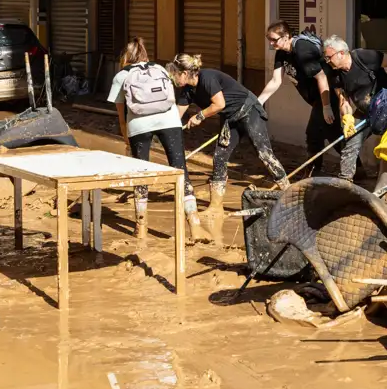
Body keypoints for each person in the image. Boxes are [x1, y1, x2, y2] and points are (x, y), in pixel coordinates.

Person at [166, 54, 290, 242]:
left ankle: (288, 192)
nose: (174, 79)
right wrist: (167, 131)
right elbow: (177, 116)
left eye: (175, 75)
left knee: (264, 153)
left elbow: (219, 104)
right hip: (230, 119)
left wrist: (200, 116)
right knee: (219, 157)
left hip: (248, 110)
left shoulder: (207, 78)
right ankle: (216, 206)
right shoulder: (186, 92)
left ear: (185, 73)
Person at [107, 37, 211, 242]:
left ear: (125, 57)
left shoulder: (121, 75)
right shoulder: (161, 69)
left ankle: (141, 226)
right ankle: (195, 224)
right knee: (180, 170)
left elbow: (121, 115)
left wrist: (126, 138)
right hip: (170, 122)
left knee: (141, 174)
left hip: (139, 126)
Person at [258, 21, 339, 176]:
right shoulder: (281, 53)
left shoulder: (302, 49)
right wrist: (259, 101)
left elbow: (322, 77)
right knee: (332, 133)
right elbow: (276, 80)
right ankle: (357, 168)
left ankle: (313, 173)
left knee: (313, 134)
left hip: (326, 95)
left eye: (274, 39)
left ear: (286, 36)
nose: (271, 42)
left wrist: (326, 106)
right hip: (316, 99)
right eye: (269, 39)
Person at [323, 35, 387, 182]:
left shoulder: (362, 57)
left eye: (329, 57)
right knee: (349, 142)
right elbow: (344, 100)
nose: (327, 61)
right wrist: (347, 118)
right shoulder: (334, 73)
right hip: (365, 110)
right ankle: (345, 182)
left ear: (341, 53)